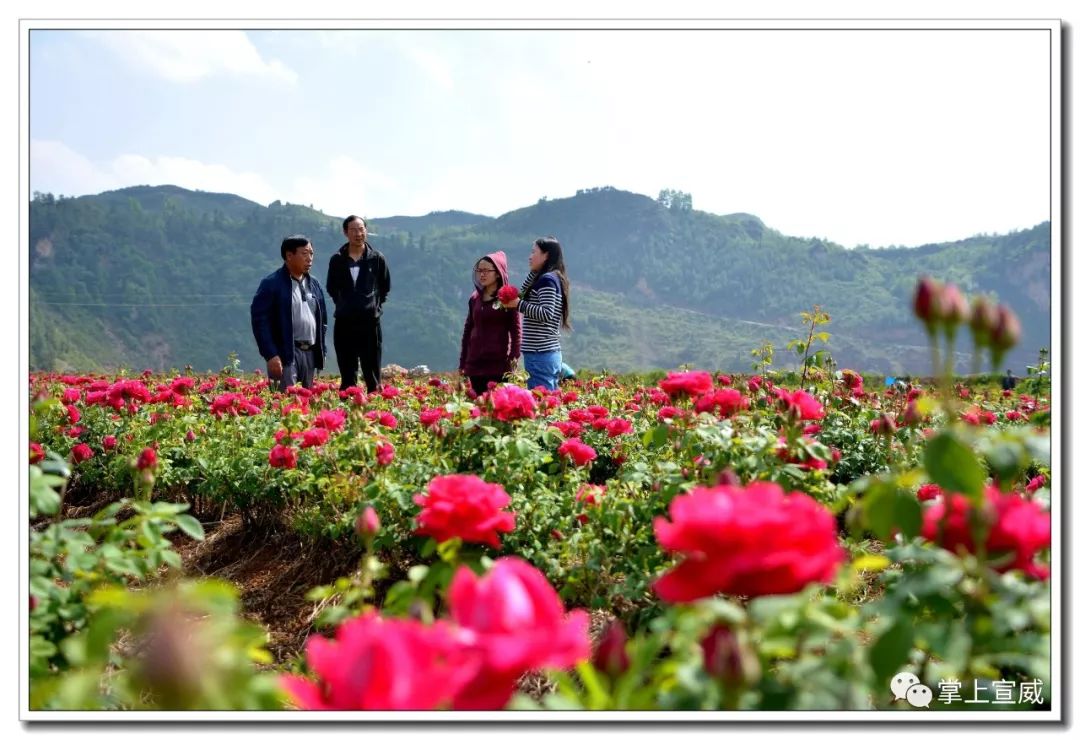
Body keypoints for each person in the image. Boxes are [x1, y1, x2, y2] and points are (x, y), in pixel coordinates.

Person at [250, 235, 328, 391]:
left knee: (307, 405)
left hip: (310, 351)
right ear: (289, 256)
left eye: (311, 254)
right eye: (304, 253)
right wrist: (271, 354)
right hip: (286, 353)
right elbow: (260, 322)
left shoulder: (314, 284)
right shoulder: (272, 284)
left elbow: (322, 321)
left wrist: (322, 349)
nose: (309, 258)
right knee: (286, 402)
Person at [326, 215, 391, 392]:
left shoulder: (377, 259)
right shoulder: (337, 260)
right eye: (353, 230)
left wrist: (373, 307)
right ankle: (346, 413)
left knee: (372, 373)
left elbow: (384, 287)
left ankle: (374, 411)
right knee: (347, 374)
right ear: (345, 232)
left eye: (361, 229)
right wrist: (345, 305)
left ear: (366, 231)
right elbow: (331, 288)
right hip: (344, 323)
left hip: (370, 324)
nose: (358, 233)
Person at [502, 236, 571, 391]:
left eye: (534, 252)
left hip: (540, 354)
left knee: (542, 405)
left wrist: (517, 304)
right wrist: (533, 273)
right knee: (548, 402)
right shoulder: (546, 278)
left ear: (546, 255)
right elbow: (523, 294)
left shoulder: (547, 280)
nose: (530, 256)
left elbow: (546, 313)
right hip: (543, 354)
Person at [458, 252, 522, 395]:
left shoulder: (508, 299)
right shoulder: (474, 299)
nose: (482, 274)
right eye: (479, 270)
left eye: (486, 270)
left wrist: (513, 359)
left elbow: (516, 332)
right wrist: (463, 363)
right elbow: (468, 331)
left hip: (497, 367)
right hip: (474, 366)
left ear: (498, 273)